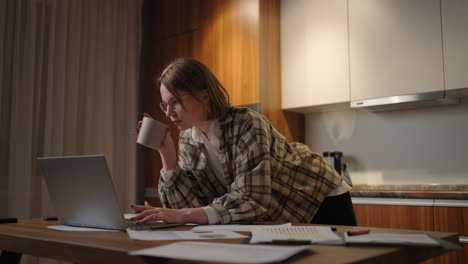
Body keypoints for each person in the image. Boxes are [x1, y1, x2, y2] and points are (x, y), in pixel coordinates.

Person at [131, 57, 356, 226]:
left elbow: (251, 199)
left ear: (204, 95)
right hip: (276, 212)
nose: (169, 113)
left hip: (318, 197)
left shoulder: (247, 123)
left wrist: (186, 214)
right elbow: (190, 207)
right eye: (164, 104)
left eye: (176, 102)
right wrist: (166, 152)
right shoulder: (189, 139)